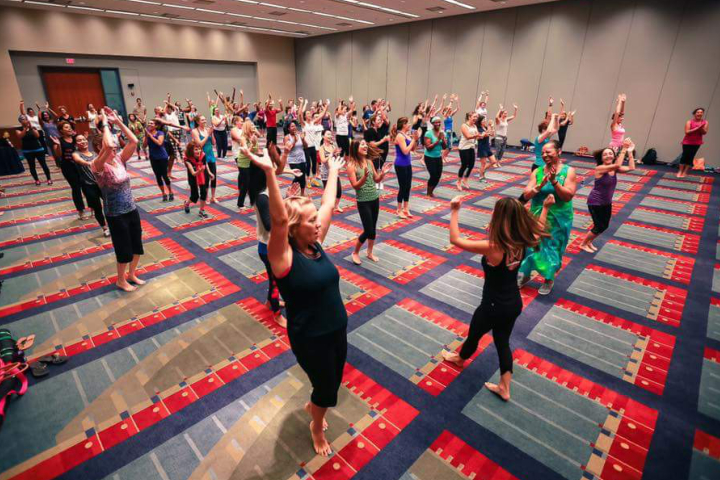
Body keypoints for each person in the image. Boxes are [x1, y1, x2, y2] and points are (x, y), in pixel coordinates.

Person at [247, 144, 346, 456]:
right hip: (310, 336)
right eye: (311, 220)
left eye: (317, 219)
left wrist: (333, 172)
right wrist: (269, 173)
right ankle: (315, 425)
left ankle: (315, 404)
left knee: (331, 384)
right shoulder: (283, 257)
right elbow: (276, 220)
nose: (319, 223)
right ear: (295, 227)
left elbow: (330, 202)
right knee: (327, 388)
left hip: (336, 330)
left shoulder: (315, 243)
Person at [442, 195, 550, 401]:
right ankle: (504, 387)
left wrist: (454, 210)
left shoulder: (493, 246)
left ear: (499, 217)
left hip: (492, 305)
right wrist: (544, 208)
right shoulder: (523, 239)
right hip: (513, 303)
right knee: (502, 342)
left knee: (474, 335)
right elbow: (538, 230)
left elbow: (455, 240)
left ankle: (459, 358)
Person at [92, 108, 145, 292]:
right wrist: (105, 122)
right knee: (123, 249)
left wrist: (117, 122)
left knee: (137, 245)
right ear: (99, 148)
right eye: (112, 144)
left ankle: (132, 274)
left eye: (115, 144)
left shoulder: (119, 160)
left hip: (131, 208)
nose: (115, 147)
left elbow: (135, 141)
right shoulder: (98, 165)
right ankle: (120, 280)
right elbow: (107, 146)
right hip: (115, 213)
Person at [518, 140, 577, 295]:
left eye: (548, 152)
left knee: (552, 248)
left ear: (559, 151)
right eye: (543, 152)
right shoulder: (537, 171)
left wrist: (554, 182)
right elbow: (526, 194)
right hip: (537, 214)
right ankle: (525, 274)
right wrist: (539, 186)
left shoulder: (568, 171)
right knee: (531, 245)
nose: (544, 155)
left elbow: (568, 196)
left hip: (558, 218)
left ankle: (548, 279)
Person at [244, 142, 289, 328]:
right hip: (267, 247)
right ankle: (277, 315)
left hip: (272, 245)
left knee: (275, 279)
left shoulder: (268, 190)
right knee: (275, 280)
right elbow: (271, 225)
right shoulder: (262, 196)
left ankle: (269, 302)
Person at [579, 139, 635, 253]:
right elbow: (618, 164)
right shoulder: (600, 168)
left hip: (606, 202)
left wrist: (630, 151)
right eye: (605, 154)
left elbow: (631, 168)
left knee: (604, 226)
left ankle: (589, 242)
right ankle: (583, 243)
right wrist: (623, 148)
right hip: (595, 202)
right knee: (599, 226)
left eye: (610, 153)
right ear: (601, 158)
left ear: (614, 156)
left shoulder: (615, 169)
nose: (608, 155)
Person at [347, 140, 392, 265]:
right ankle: (355, 252)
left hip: (374, 198)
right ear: (356, 148)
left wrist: (383, 173)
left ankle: (369, 252)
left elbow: (376, 179)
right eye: (362, 144)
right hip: (363, 201)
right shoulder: (351, 165)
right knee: (368, 230)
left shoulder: (369, 162)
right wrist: (364, 177)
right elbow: (355, 186)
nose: (365, 146)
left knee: (373, 229)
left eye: (365, 144)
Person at [71, 134, 110, 236]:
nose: (83, 142)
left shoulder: (94, 153)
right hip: (88, 186)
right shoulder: (76, 154)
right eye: (79, 140)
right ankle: (104, 227)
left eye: (84, 139)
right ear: (76, 144)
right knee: (97, 208)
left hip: (102, 183)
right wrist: (90, 164)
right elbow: (79, 161)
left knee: (110, 203)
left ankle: (113, 223)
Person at [55, 121, 88, 218]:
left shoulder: (75, 138)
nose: (69, 129)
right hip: (68, 168)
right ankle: (81, 211)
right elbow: (58, 154)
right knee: (76, 188)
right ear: (61, 130)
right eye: (66, 127)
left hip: (79, 165)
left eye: (69, 127)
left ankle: (92, 207)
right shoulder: (59, 141)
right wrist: (58, 145)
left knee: (86, 186)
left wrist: (84, 139)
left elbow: (82, 148)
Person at [392, 117, 419, 217]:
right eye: (407, 123)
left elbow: (413, 149)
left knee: (408, 187)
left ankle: (406, 208)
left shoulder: (406, 135)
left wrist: (415, 139)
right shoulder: (400, 136)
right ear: (403, 124)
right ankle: (399, 210)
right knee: (402, 187)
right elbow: (405, 151)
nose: (409, 125)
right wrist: (413, 140)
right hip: (400, 164)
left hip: (408, 164)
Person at [16, 115, 52, 186]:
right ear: (20, 121)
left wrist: (31, 128)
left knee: (44, 165)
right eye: (22, 119)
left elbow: (37, 136)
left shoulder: (33, 127)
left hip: (38, 149)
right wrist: (25, 128)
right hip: (27, 151)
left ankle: (49, 179)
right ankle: (37, 180)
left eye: (25, 119)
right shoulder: (18, 129)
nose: (24, 120)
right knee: (32, 166)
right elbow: (20, 136)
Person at [144, 119, 173, 202]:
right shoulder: (147, 135)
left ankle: (170, 192)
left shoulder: (160, 133)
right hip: (153, 157)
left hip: (162, 157)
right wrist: (146, 136)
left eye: (152, 123)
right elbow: (144, 145)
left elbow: (160, 143)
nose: (149, 124)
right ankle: (163, 193)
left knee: (165, 176)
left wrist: (150, 136)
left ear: (156, 126)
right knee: (158, 176)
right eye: (149, 123)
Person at [299, 98, 327, 187]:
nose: (309, 114)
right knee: (308, 163)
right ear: (305, 116)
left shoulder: (312, 122)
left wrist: (326, 107)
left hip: (313, 147)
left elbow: (321, 115)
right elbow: (299, 114)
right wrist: (301, 103)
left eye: (309, 113)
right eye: (307, 113)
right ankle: (308, 179)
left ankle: (313, 179)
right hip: (306, 147)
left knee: (314, 164)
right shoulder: (304, 124)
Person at [232, 118, 258, 209]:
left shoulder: (254, 136)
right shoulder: (243, 138)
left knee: (253, 182)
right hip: (243, 162)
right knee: (245, 184)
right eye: (252, 126)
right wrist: (252, 144)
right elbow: (247, 151)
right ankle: (240, 204)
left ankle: (253, 200)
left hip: (251, 161)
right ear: (248, 127)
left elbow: (256, 151)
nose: (254, 127)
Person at [191, 115, 218, 203]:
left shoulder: (207, 130)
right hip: (202, 157)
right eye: (202, 120)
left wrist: (212, 133)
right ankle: (205, 197)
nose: (205, 121)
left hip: (211, 156)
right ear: (198, 122)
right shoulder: (195, 131)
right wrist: (208, 134)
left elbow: (213, 143)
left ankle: (213, 197)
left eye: (205, 119)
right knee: (205, 178)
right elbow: (200, 145)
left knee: (213, 176)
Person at [183, 141, 212, 218]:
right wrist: (199, 171)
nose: (198, 151)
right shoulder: (188, 159)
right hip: (193, 177)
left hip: (203, 175)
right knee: (194, 196)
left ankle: (202, 210)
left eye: (199, 149)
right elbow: (193, 173)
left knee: (203, 193)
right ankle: (186, 203)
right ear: (191, 151)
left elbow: (205, 164)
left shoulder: (203, 155)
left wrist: (209, 173)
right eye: (196, 149)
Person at [679, 107, 709, 178]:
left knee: (691, 157)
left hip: (697, 142)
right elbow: (687, 132)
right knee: (684, 156)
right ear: (694, 114)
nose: (700, 113)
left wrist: (701, 128)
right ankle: (680, 171)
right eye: (698, 112)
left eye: (701, 112)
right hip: (687, 142)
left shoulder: (705, 122)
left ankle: (685, 172)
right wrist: (697, 128)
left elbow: (704, 133)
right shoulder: (689, 122)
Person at [318, 130, 343, 213]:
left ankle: (336, 206)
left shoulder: (333, 146)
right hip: (325, 172)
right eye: (328, 134)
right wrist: (332, 153)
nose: (330, 136)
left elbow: (335, 157)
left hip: (334, 171)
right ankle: (327, 208)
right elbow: (323, 160)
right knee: (328, 192)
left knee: (338, 190)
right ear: (323, 136)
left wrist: (337, 154)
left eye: (331, 134)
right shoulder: (321, 148)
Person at [364, 113, 391, 190]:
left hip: (381, 153)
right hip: (373, 153)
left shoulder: (378, 130)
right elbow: (372, 145)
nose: (380, 121)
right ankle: (373, 183)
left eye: (380, 120)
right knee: (374, 168)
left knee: (379, 167)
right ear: (373, 122)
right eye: (378, 120)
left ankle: (378, 181)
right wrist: (384, 140)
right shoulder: (370, 131)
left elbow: (386, 121)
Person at [424, 116, 446, 197]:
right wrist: (437, 140)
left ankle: (431, 191)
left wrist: (443, 140)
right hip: (429, 157)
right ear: (432, 123)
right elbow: (428, 148)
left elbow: (444, 147)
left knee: (438, 176)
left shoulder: (442, 132)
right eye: (436, 122)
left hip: (438, 157)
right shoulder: (428, 133)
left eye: (439, 122)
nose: (438, 123)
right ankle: (428, 192)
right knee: (433, 175)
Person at [285, 122, 309, 196]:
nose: (294, 127)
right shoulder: (287, 137)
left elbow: (306, 146)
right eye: (292, 126)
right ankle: (290, 192)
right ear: (288, 128)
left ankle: (302, 193)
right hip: (293, 161)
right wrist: (294, 141)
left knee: (303, 176)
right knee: (299, 176)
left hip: (302, 159)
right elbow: (288, 149)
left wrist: (303, 139)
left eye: (295, 126)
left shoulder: (299, 135)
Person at [457, 112, 480, 190]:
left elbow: (477, 137)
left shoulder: (474, 126)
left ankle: (465, 179)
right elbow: (467, 136)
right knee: (464, 165)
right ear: (469, 117)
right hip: (463, 148)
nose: (476, 118)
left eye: (476, 117)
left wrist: (483, 135)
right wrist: (476, 136)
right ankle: (459, 182)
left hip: (471, 147)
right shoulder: (464, 125)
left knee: (471, 165)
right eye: (474, 117)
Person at [476, 115, 497, 181]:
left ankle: (481, 170)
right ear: (480, 121)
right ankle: (481, 177)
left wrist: (492, 127)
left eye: (485, 119)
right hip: (482, 147)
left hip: (487, 146)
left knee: (493, 161)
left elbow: (492, 134)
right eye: (483, 120)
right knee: (483, 163)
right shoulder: (478, 128)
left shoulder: (485, 127)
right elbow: (483, 135)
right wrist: (489, 128)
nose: (485, 121)